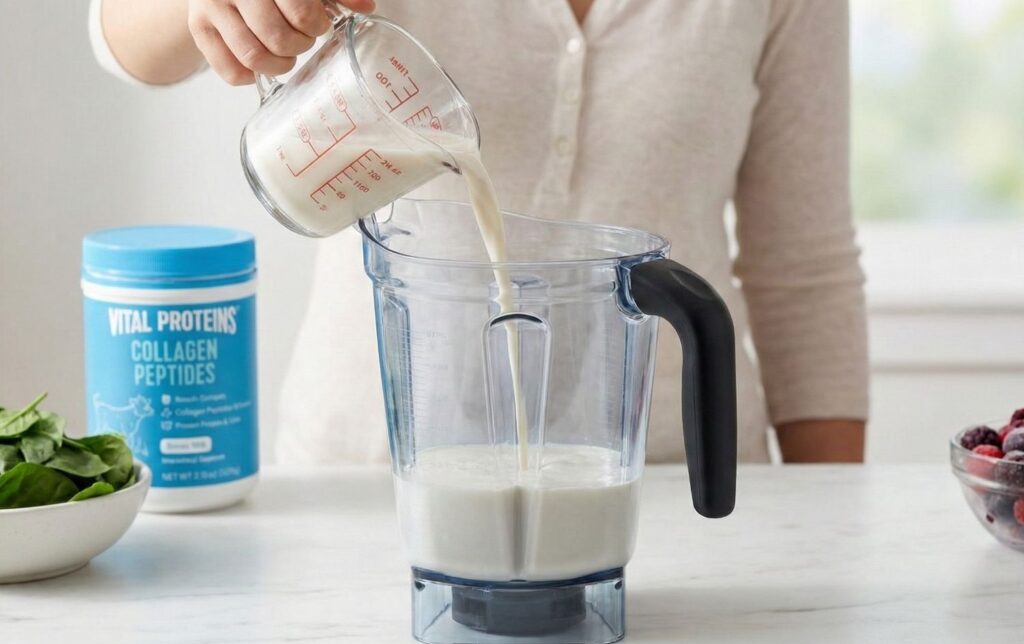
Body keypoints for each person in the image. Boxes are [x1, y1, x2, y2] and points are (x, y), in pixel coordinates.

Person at [91, 0, 869, 464]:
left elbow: (804, 266)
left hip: (668, 481)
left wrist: (833, 527)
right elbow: (120, 38)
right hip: (367, 481)